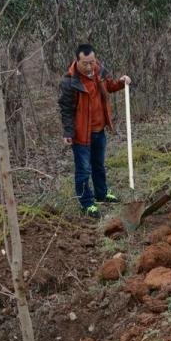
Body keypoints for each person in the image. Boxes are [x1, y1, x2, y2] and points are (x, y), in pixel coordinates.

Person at [58, 44, 131, 219]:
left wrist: (122, 82)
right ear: (77, 61)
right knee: (84, 170)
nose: (90, 66)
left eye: (92, 62)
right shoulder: (69, 81)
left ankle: (102, 193)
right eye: (86, 63)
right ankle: (87, 203)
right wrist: (68, 132)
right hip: (81, 134)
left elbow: (110, 86)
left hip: (99, 129)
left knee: (99, 165)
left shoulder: (99, 71)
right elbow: (66, 109)